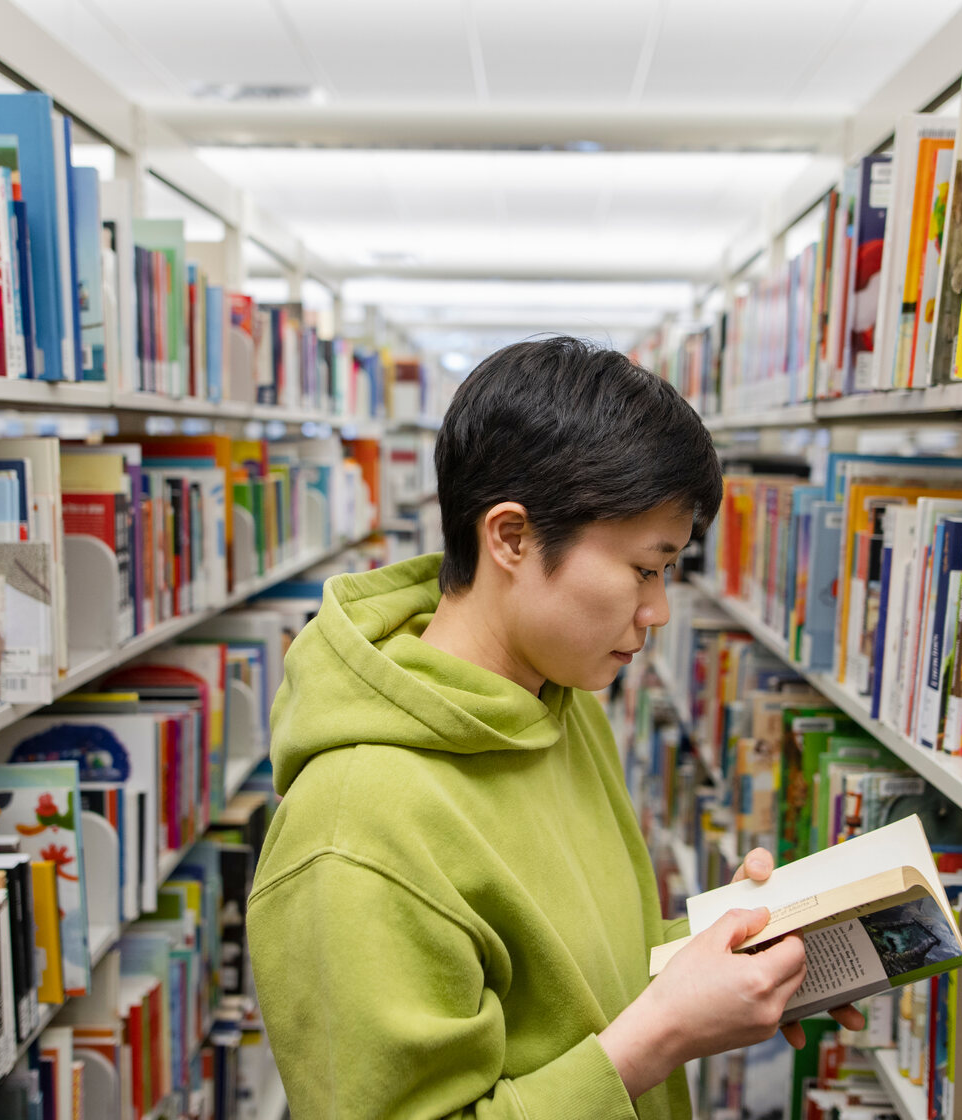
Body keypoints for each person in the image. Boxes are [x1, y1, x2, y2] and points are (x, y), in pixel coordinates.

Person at [247, 336, 862, 1119]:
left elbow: (577, 984)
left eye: (670, 570)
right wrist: (664, 1033)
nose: (659, 611)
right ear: (510, 537)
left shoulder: (558, 706)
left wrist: (734, 955)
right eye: (645, 567)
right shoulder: (356, 825)